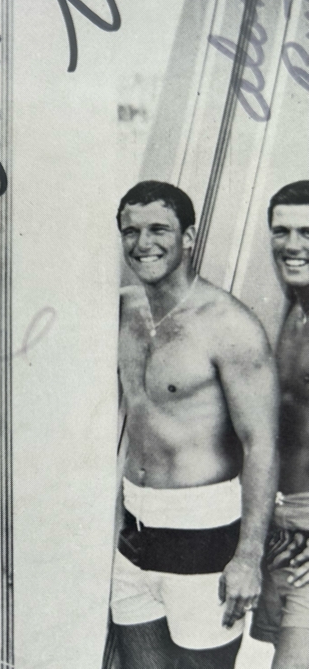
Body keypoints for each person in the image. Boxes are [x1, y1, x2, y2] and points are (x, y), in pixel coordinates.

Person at [113, 180, 279, 668]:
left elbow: (261, 445)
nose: (143, 244)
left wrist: (248, 557)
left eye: (159, 229)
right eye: (131, 231)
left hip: (202, 534)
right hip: (133, 532)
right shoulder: (120, 312)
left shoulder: (230, 324)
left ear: (188, 236)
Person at [249, 180, 309, 668]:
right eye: (281, 231)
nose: (292, 245)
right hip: (282, 527)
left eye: (308, 232)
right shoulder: (291, 308)